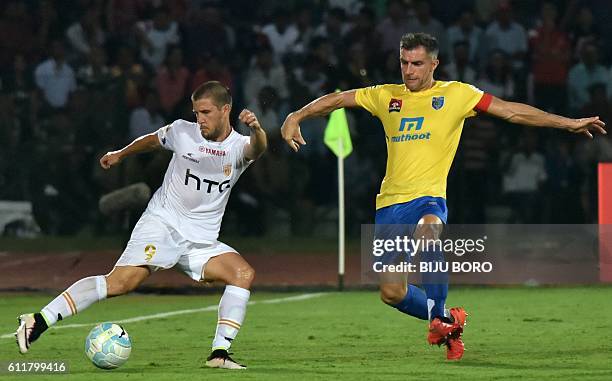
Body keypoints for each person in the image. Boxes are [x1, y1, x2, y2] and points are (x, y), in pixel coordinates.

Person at [280, 32, 606, 361]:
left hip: (429, 198)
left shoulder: (456, 94)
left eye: (417, 64)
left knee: (429, 229)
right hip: (390, 204)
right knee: (391, 292)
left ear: (434, 63)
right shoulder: (385, 96)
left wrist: (567, 124)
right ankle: (447, 320)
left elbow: (510, 111)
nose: (409, 71)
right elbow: (337, 100)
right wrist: (296, 116)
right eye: (404, 63)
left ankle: (437, 318)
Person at [15, 81, 268, 370]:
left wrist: (257, 129)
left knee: (242, 273)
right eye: (197, 112)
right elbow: (153, 140)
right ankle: (38, 320)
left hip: (200, 240)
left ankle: (219, 354)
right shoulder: (183, 132)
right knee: (120, 283)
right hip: (162, 225)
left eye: (206, 112)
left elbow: (257, 149)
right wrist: (121, 154)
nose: (200, 119)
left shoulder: (238, 147)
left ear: (226, 110)